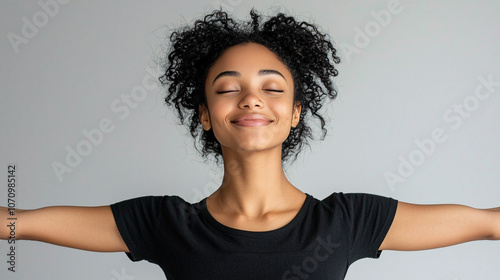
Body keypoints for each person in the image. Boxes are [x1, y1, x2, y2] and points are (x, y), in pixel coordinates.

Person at [1, 9, 499, 280]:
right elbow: (16, 225)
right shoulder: (162, 224)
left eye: (272, 87)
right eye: (227, 88)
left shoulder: (349, 222)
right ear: (205, 114)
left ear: (296, 112)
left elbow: (489, 224)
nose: (251, 100)